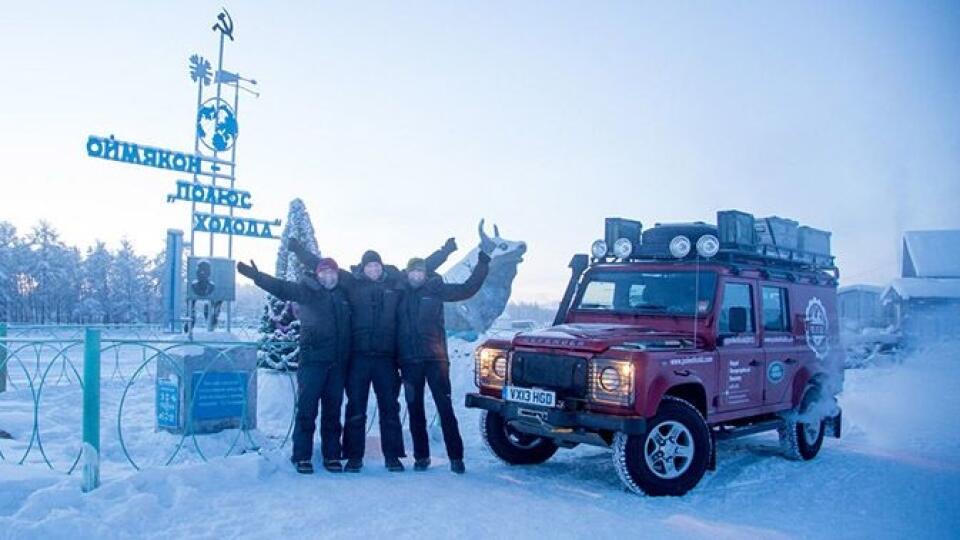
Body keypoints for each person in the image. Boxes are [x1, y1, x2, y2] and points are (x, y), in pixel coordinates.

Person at [288, 237, 456, 473]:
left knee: (390, 407)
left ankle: (392, 457)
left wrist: (445, 251)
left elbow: (421, 268)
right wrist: (298, 250)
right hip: (359, 358)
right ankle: (354, 457)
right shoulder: (352, 283)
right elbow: (322, 265)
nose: (374, 269)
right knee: (356, 407)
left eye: (377, 265)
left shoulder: (394, 282)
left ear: (381, 266)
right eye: (369, 265)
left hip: (386, 359)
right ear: (363, 267)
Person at [236, 257, 351, 475]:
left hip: (337, 365)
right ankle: (302, 456)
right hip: (313, 363)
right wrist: (257, 277)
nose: (328, 276)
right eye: (324, 272)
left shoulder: (343, 294)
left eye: (332, 273)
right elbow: (280, 287)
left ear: (337, 275)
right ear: (318, 275)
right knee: (307, 411)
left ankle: (332, 455)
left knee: (333, 412)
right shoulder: (307, 291)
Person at [397, 244, 491, 474]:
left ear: (425, 274)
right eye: (413, 272)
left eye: (420, 271)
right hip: (410, 361)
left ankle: (456, 457)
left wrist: (483, 263)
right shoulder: (400, 292)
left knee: (445, 408)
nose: (417, 275)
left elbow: (468, 289)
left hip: (435, 361)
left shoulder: (435, 289)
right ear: (407, 274)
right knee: (415, 409)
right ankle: (421, 456)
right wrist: (444, 251)